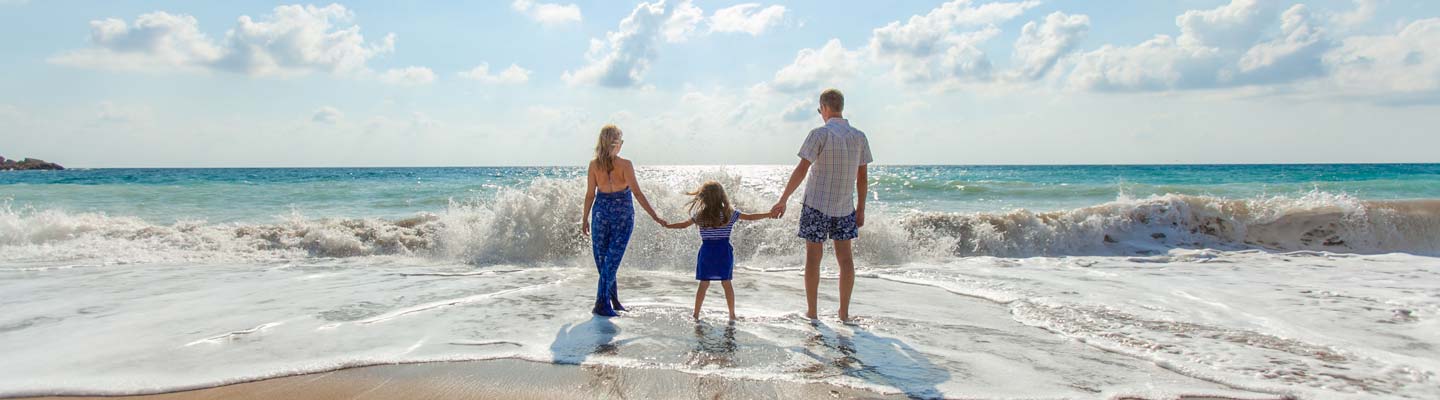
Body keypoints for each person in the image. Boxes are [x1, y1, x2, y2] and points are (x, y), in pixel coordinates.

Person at [770, 88, 873, 322]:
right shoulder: (859, 136)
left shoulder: (819, 134)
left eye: (820, 110)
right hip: (845, 207)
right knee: (846, 260)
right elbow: (863, 178)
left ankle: (813, 312)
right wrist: (862, 208)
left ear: (824, 108)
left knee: (813, 259)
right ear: (841, 107)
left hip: (816, 204)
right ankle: (844, 313)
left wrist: (783, 199)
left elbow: (802, 170)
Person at [660, 181, 774, 321]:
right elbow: (750, 217)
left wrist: (667, 225)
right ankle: (732, 315)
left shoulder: (700, 215)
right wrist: (769, 214)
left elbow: (683, 225)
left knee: (704, 283)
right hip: (723, 252)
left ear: (703, 197)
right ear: (722, 196)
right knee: (726, 283)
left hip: (707, 252)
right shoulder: (729, 214)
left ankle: (696, 314)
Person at [581, 124, 664, 317]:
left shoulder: (594, 165)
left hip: (601, 214)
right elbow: (637, 192)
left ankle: (613, 301)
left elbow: (589, 196)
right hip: (622, 216)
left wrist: (585, 218)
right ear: (616, 144)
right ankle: (601, 304)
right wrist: (655, 216)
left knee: (606, 261)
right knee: (610, 261)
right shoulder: (625, 165)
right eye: (621, 140)